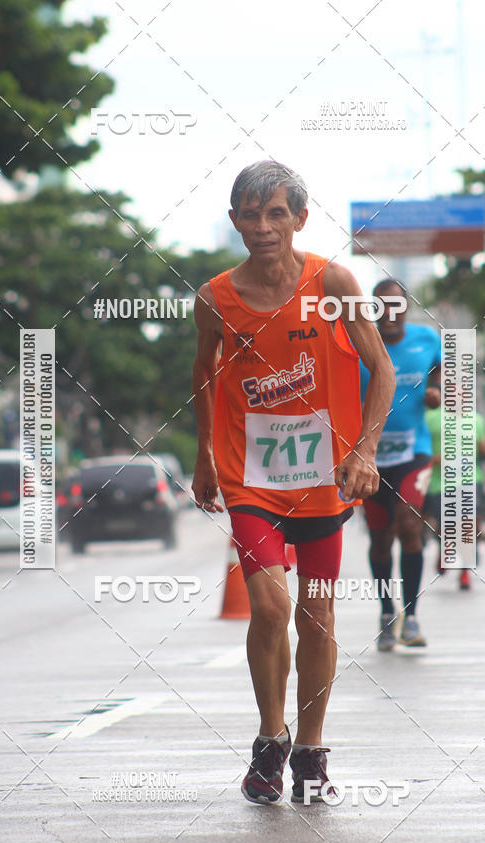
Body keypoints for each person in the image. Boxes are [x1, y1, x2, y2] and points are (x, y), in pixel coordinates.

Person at [191, 160, 395, 805]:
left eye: (276, 213)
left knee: (318, 611)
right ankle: (269, 738)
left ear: (300, 219)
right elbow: (203, 376)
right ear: (234, 222)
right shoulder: (215, 297)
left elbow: (381, 372)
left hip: (325, 478)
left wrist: (365, 451)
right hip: (250, 479)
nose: (263, 226)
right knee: (271, 606)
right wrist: (203, 457)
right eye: (250, 215)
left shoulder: (332, 281)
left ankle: (309, 745)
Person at [359, 280, 442, 651]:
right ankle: (386, 611)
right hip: (369, 456)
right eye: (380, 306)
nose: (388, 312)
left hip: (414, 451)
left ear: (406, 308)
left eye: (395, 305)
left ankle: (411, 616)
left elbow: (442, 370)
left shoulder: (427, 339)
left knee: (409, 524)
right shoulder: (355, 342)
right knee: (380, 538)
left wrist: (436, 391)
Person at [424, 404, 485, 589]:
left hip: (470, 479)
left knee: (469, 524)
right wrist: (435, 458)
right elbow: (421, 446)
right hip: (441, 483)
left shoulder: (477, 420)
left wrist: (483, 449)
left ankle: (464, 572)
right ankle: (445, 547)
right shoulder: (431, 418)